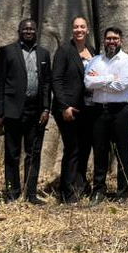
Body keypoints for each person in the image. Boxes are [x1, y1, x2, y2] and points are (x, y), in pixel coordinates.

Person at [0, 19, 52, 205]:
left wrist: (46, 108)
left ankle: (31, 194)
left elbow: (46, 83)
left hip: (36, 111)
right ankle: (12, 193)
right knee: (12, 153)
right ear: (19, 31)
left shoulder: (44, 53)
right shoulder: (7, 51)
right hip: (13, 111)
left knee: (33, 154)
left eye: (32, 29)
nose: (28, 31)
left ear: (36, 31)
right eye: (25, 29)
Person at [84, 26, 128, 206]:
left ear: (121, 41)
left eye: (115, 38)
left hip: (120, 111)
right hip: (99, 110)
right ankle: (98, 190)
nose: (111, 41)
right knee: (100, 151)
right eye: (108, 38)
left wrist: (99, 79)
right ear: (104, 40)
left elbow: (121, 86)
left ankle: (124, 192)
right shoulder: (95, 60)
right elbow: (88, 82)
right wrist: (110, 78)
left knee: (123, 152)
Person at [51, 16, 96, 203]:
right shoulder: (64, 51)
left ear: (87, 29)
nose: (79, 30)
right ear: (72, 29)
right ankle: (66, 191)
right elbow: (56, 80)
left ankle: (80, 185)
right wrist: (64, 106)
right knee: (72, 148)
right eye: (76, 27)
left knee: (84, 148)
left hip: (87, 108)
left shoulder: (92, 50)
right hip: (68, 109)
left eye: (82, 27)